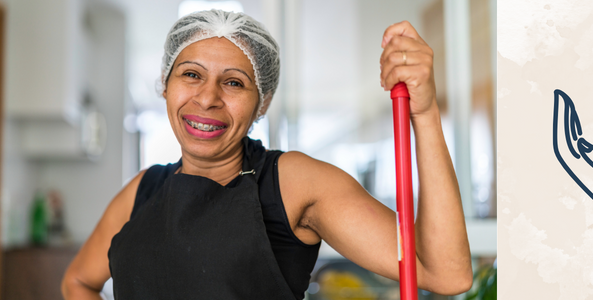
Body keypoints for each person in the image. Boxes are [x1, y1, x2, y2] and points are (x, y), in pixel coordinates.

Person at [62, 10, 471, 299]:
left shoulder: (291, 183)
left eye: (234, 83)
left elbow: (445, 272)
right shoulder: (144, 190)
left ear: (262, 104)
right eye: (191, 74)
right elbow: (78, 282)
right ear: (165, 87)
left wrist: (424, 112)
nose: (207, 98)